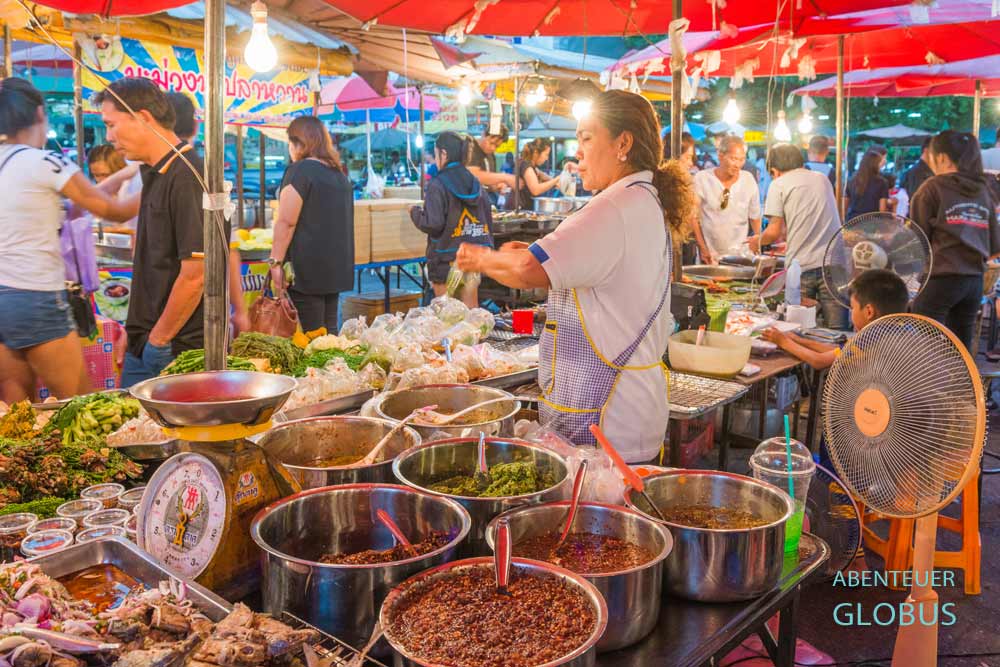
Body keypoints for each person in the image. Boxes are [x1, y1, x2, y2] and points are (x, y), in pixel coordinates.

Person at [456, 90, 695, 463]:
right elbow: (562, 263)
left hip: (608, 421)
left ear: (623, 143)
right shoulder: (642, 199)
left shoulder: (615, 206)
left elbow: (528, 271)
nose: (577, 152)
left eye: (586, 138)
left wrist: (479, 258)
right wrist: (525, 254)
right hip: (631, 414)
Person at [0, 77, 136, 402]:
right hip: (34, 295)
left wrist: (122, 175)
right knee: (80, 403)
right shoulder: (45, 161)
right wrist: (160, 180)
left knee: (17, 412)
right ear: (38, 114)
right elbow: (112, 211)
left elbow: (72, 208)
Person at [97, 78, 215, 386]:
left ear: (144, 118)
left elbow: (196, 274)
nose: (108, 136)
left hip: (172, 348)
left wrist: (158, 340)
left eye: (112, 124)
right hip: (146, 340)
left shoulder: (187, 176)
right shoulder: (154, 171)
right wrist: (135, 331)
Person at [166, 91, 250, 336]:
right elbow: (229, 250)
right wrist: (240, 310)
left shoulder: (147, 176)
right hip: (196, 321)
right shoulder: (208, 177)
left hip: (171, 322)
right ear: (195, 126)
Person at [910, 130, 1000, 351]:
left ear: (940, 157)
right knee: (961, 348)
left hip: (941, 277)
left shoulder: (932, 187)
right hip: (974, 282)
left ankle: (926, 386)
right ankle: (963, 386)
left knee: (923, 347)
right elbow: (995, 246)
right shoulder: (982, 191)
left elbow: (918, 240)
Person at [268, 116, 354, 332]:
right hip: (335, 269)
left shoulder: (300, 171)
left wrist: (275, 263)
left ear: (299, 143)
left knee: (310, 335)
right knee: (328, 332)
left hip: (307, 272)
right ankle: (333, 366)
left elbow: (286, 222)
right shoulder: (338, 174)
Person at [748, 143, 848, 329]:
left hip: (802, 268)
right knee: (838, 330)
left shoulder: (778, 184)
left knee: (797, 329)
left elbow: (774, 232)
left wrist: (756, 241)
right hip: (835, 263)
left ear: (774, 171)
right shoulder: (822, 179)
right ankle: (839, 358)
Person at [761, 269, 910, 369]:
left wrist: (783, 341)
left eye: (853, 307)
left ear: (869, 311)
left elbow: (819, 361)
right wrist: (798, 340)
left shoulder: (871, 336)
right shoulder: (902, 330)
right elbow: (839, 352)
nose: (852, 313)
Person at [410, 131, 494, 308]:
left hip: (446, 260)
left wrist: (415, 213)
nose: (435, 159)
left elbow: (433, 224)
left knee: (445, 313)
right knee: (471, 313)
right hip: (473, 257)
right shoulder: (474, 181)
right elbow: (488, 216)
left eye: (436, 153)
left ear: (444, 154)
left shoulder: (438, 184)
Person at [691, 135, 761, 264]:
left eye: (741, 159)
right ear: (720, 155)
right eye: (733, 159)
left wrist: (758, 241)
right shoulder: (702, 178)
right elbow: (693, 217)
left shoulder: (748, 180)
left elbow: (755, 217)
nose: (737, 165)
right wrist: (702, 247)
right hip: (710, 257)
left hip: (741, 257)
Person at [466, 126, 516, 202]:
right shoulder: (471, 148)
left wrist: (498, 186)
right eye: (491, 143)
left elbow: (490, 183)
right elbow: (473, 175)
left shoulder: (491, 155)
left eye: (497, 146)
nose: (493, 148)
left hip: (486, 200)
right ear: (483, 135)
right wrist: (505, 177)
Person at [844, 146, 890, 221]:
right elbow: (882, 210)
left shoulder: (851, 181)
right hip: (872, 223)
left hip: (852, 223)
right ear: (875, 164)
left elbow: (844, 207)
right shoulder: (882, 182)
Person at [516, 138, 562, 210]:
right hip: (520, 209)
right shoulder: (526, 166)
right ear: (536, 152)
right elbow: (536, 190)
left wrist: (556, 183)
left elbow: (542, 175)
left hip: (525, 208)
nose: (546, 158)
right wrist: (556, 180)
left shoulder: (532, 166)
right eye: (546, 155)